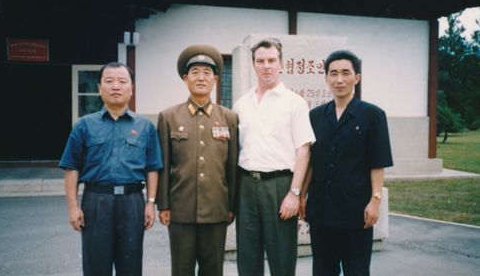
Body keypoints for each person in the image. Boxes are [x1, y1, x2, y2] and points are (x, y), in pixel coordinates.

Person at [59, 62, 163, 276]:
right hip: (96, 201)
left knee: (131, 266)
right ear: (99, 88)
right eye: (109, 81)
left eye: (122, 81)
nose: (116, 86)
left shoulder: (145, 126)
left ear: (131, 88)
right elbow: (71, 167)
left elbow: (153, 168)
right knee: (96, 267)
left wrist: (150, 203)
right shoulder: (84, 125)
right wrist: (72, 206)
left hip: (132, 202)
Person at [300, 50, 393, 276]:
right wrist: (302, 195)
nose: (339, 79)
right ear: (326, 79)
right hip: (321, 209)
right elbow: (311, 161)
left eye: (345, 73)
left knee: (357, 270)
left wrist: (375, 200)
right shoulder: (316, 116)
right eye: (333, 74)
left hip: (356, 210)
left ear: (356, 78)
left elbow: (377, 163)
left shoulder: (373, 115)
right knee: (322, 269)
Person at [233, 38, 315, 276]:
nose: (266, 66)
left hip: (280, 186)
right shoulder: (242, 104)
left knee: (281, 257)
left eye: (271, 60)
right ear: (253, 65)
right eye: (260, 61)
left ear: (281, 64)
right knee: (247, 256)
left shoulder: (294, 103)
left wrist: (295, 193)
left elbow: (304, 150)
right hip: (246, 185)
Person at [156, 44, 239, 276]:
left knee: (213, 270)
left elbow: (231, 166)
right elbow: (162, 163)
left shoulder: (229, 118)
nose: (201, 78)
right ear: (185, 78)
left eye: (206, 73)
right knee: (181, 270)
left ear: (215, 79)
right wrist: (163, 204)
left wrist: (231, 205)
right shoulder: (169, 117)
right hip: (180, 209)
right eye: (195, 72)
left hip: (216, 208)